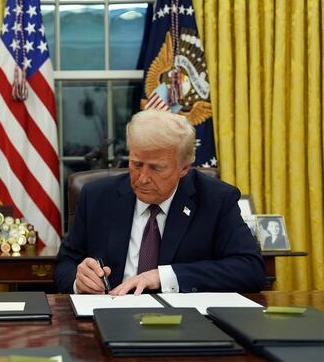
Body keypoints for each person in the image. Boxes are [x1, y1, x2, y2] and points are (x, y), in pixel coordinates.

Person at [55, 109, 265, 295]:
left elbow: (250, 270)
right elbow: (64, 265)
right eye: (136, 164)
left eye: (156, 168)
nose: (143, 178)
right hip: (110, 315)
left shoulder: (216, 199)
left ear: (184, 168)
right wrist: (78, 280)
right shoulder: (97, 197)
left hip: (185, 325)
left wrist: (163, 277)